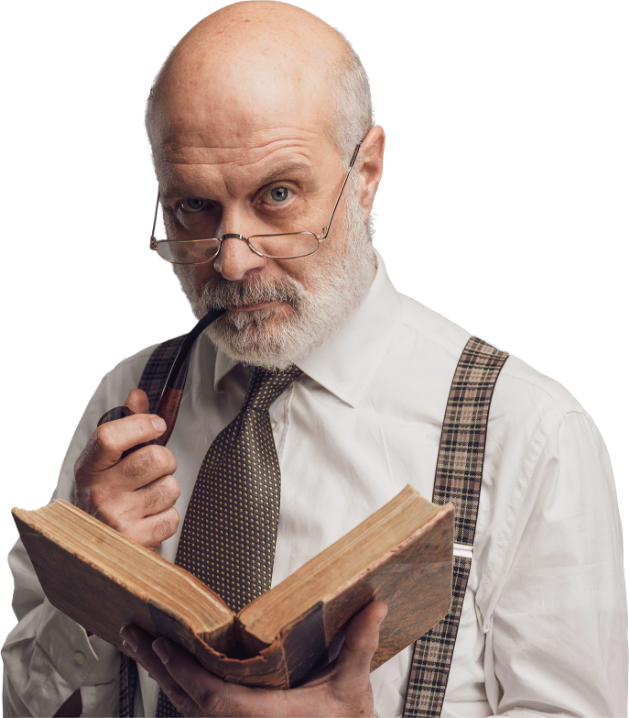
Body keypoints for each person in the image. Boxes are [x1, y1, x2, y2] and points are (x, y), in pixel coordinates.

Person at [4, 2, 627, 717]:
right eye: (194, 207)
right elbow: (19, 702)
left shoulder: (528, 433)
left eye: (277, 195)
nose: (232, 262)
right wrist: (90, 581)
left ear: (366, 174)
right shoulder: (121, 403)